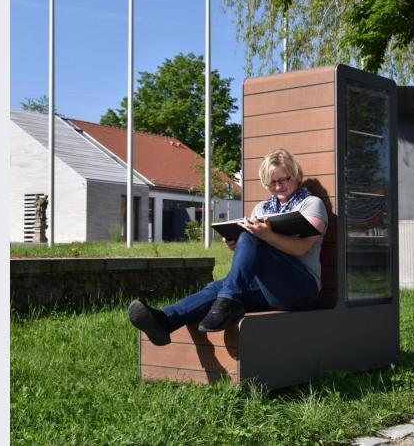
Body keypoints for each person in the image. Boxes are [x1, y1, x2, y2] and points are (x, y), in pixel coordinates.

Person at [127, 148, 328, 345]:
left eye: (284, 179)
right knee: (219, 285)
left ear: (295, 175)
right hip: (268, 290)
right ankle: (165, 319)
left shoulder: (311, 204)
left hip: (301, 288)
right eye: (272, 182)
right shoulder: (262, 208)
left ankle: (227, 301)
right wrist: (236, 244)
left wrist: (266, 235)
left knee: (251, 240)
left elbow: (302, 248)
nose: (278, 186)